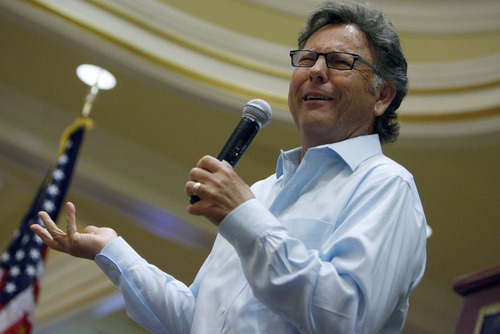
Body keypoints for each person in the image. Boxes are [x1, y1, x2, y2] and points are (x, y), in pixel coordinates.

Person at [32, 1, 427, 333]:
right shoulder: (261, 191)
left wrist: (245, 216)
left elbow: (346, 317)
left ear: (383, 96)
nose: (315, 71)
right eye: (307, 58)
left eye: (341, 61)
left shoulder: (387, 185)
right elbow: (198, 318)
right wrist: (112, 250)